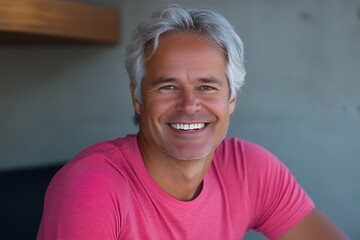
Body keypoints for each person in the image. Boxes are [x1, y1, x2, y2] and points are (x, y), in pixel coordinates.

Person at [37, 4, 348, 240]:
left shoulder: (250, 170)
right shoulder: (90, 189)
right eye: (168, 87)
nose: (189, 106)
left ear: (232, 99)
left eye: (207, 87)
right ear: (138, 97)